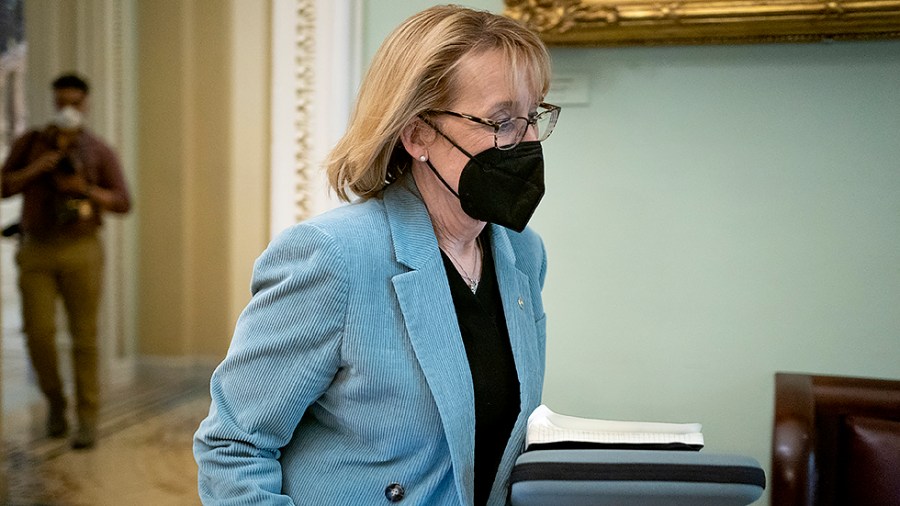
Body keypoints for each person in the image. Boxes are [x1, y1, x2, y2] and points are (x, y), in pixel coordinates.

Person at [193, 5, 559, 505]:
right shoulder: (331, 258)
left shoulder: (522, 253)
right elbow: (231, 447)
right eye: (502, 121)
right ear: (417, 135)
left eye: (534, 115)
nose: (529, 141)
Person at [0, 72, 131, 450]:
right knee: (38, 335)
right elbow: (4, 185)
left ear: (85, 104)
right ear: (53, 101)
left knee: (84, 338)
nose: (67, 109)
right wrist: (38, 167)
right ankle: (56, 403)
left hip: (82, 247)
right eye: (61, 102)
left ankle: (87, 418)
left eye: (75, 102)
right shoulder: (31, 143)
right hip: (36, 247)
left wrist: (85, 189)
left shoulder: (98, 149)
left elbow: (124, 201)